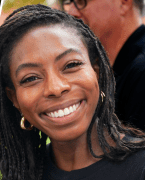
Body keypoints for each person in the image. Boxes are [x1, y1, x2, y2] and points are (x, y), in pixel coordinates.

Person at [0, 4, 145, 180]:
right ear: (13, 97)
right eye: (31, 78)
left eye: (71, 65)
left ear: (97, 71)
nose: (55, 88)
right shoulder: (20, 173)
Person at [61, 0, 145, 130]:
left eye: (81, 1)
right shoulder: (110, 68)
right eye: (69, 2)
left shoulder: (141, 69)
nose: (71, 12)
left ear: (123, 2)